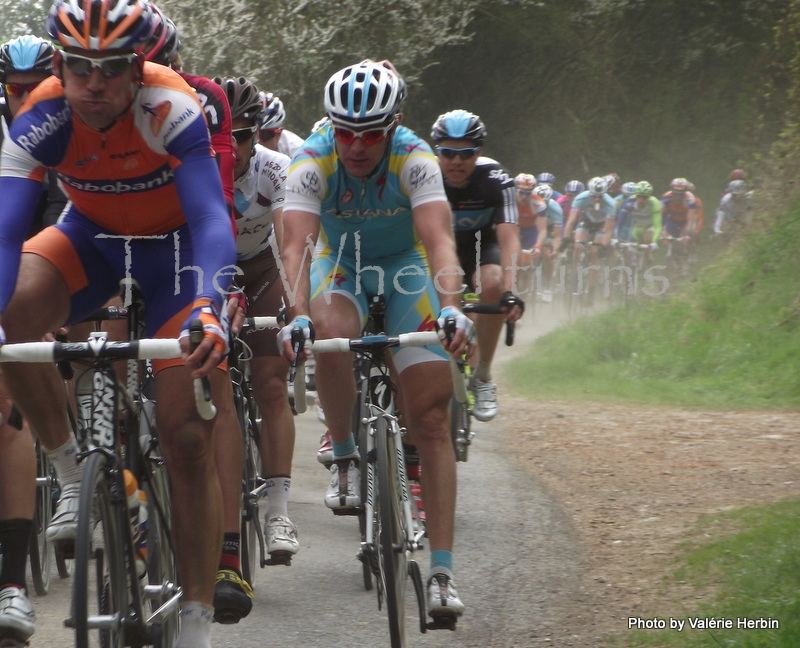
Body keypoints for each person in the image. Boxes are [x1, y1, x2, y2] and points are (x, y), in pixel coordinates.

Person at [0, 2, 237, 647]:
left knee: (186, 435)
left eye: (109, 68)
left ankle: (194, 615)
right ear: (60, 66)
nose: (93, 83)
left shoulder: (171, 105)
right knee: (12, 312)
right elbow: (6, 234)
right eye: (78, 67)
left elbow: (213, 221)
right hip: (94, 239)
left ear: (139, 66)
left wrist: (211, 309)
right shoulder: (41, 115)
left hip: (179, 254)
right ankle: (71, 466)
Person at [278, 60, 470, 623]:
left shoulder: (416, 158)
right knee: (332, 336)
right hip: (340, 267)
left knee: (430, 420)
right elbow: (295, 248)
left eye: (370, 134)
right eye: (346, 132)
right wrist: (295, 314)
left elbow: (438, 240)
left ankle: (440, 571)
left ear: (394, 126)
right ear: (330, 127)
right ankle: (342, 455)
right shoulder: (311, 159)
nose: (357, 146)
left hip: (406, 268)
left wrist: (453, 307)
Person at [214, 74, 299, 568]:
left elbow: (290, 245)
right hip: (212, 270)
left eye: (246, 135)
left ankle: (279, 511)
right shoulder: (199, 165)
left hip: (264, 269)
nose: (238, 145)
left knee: (270, 384)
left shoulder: (275, 169)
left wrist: (291, 307)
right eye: (229, 134)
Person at [0, 33, 67, 646]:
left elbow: (50, 220)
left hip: (32, 260)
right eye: (11, 91)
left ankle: (12, 581)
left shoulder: (56, 124)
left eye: (31, 89)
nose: (22, 100)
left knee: (5, 413)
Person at [430, 109, 524, 422]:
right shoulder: (423, 175)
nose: (457, 162)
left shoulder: (496, 178)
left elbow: (510, 238)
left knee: (493, 283)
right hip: (439, 249)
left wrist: (510, 292)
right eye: (448, 153)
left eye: (466, 153)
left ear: (478, 153)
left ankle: (483, 376)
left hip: (483, 247)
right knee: (446, 289)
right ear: (436, 151)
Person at [561, 176, 617, 302]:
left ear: (604, 194)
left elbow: (608, 229)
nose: (597, 199)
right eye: (594, 196)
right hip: (587, 221)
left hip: (601, 226)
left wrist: (603, 245)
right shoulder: (581, 198)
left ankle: (591, 290)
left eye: (600, 196)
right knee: (577, 245)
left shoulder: (610, 204)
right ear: (589, 193)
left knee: (594, 253)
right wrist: (565, 238)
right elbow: (571, 221)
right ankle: (574, 274)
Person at [513, 172, 547, 299]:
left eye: (528, 193)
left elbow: (542, 230)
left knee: (526, 265)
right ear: (516, 189)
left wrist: (538, 247)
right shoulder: (509, 200)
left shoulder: (538, 203)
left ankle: (524, 299)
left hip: (530, 233)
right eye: (521, 192)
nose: (524, 196)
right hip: (513, 230)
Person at [531, 183, 564, 303]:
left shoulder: (555, 209)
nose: (541, 205)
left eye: (545, 202)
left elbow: (557, 236)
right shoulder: (528, 205)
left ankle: (547, 287)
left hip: (549, 230)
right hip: (532, 228)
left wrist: (554, 250)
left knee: (547, 253)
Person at [257, 91, 304, 158]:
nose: (258, 143)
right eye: (251, 134)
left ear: (278, 134)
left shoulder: (298, 151)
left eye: (265, 135)